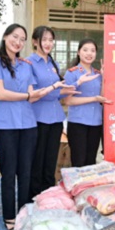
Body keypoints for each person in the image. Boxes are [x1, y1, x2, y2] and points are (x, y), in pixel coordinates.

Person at [0, 23, 48, 230]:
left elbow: (32, 95)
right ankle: (9, 215)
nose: (18, 42)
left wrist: (51, 89)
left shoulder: (25, 65)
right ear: (5, 37)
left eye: (22, 39)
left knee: (25, 172)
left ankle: (23, 212)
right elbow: (1, 93)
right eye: (15, 37)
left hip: (28, 124)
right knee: (8, 172)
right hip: (6, 125)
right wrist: (28, 95)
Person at [28, 26, 76, 199]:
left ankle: (48, 198)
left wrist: (72, 88)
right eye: (44, 40)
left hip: (56, 119)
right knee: (37, 162)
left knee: (50, 163)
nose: (48, 43)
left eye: (51, 40)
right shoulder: (29, 63)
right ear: (35, 42)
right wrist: (56, 89)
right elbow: (34, 94)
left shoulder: (52, 63)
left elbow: (56, 91)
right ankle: (34, 199)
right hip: (38, 118)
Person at [64, 39, 112, 167]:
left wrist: (104, 77)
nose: (89, 53)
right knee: (79, 162)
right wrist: (93, 99)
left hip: (96, 123)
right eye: (85, 50)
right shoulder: (72, 73)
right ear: (78, 52)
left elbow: (102, 97)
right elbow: (68, 100)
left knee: (91, 162)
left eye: (92, 50)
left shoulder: (98, 74)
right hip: (78, 123)